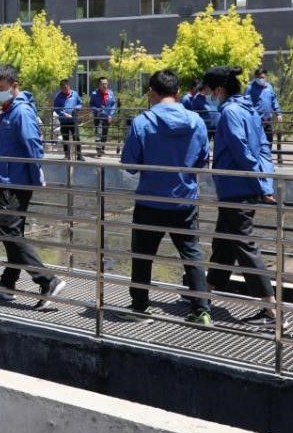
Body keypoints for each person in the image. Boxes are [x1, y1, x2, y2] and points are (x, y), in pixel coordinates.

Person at [119, 70, 212, 326]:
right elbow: (202, 159)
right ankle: (202, 310)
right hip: (185, 200)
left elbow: (129, 164)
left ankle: (140, 307)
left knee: (143, 255)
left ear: (151, 92)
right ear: (178, 93)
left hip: (150, 201)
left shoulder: (142, 122)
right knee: (191, 254)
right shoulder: (196, 121)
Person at [202, 66, 281, 328]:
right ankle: (205, 293)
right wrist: (264, 183)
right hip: (240, 188)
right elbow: (264, 149)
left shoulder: (229, 112)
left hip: (235, 189)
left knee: (245, 247)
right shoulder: (250, 110)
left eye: (209, 91)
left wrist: (262, 185)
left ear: (219, 90)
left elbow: (241, 150)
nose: (208, 96)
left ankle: (272, 311)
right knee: (224, 243)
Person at [0, 64, 67, 307]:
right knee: (14, 232)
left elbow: (33, 145)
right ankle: (8, 282)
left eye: (1, 88)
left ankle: (47, 280)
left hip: (15, 180)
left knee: (9, 231)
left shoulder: (20, 111)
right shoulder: (10, 109)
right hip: (10, 177)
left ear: (14, 85)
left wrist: (36, 175)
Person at [245, 68, 282, 164]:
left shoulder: (269, 87)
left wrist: (278, 113)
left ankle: (267, 162)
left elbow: (274, 100)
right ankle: (256, 162)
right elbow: (245, 102)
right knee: (256, 143)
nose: (261, 79)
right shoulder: (250, 88)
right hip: (256, 121)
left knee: (268, 142)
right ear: (255, 77)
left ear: (266, 77)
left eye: (263, 77)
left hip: (268, 121)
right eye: (259, 77)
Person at [52, 78, 85, 161]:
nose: (64, 90)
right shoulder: (58, 96)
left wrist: (76, 109)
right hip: (64, 121)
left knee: (76, 137)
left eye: (66, 88)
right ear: (60, 88)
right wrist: (63, 114)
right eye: (62, 88)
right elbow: (56, 108)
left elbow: (80, 103)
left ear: (69, 86)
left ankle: (79, 155)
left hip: (73, 120)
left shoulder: (75, 94)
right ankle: (67, 155)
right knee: (65, 138)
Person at [88, 77, 117, 158]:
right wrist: (97, 110)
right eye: (103, 84)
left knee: (104, 134)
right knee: (98, 132)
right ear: (99, 85)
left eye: (106, 83)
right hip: (98, 116)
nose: (105, 85)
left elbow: (113, 105)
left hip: (107, 117)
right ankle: (98, 149)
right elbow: (91, 105)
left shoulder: (111, 93)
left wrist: (111, 115)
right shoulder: (94, 94)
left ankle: (102, 149)